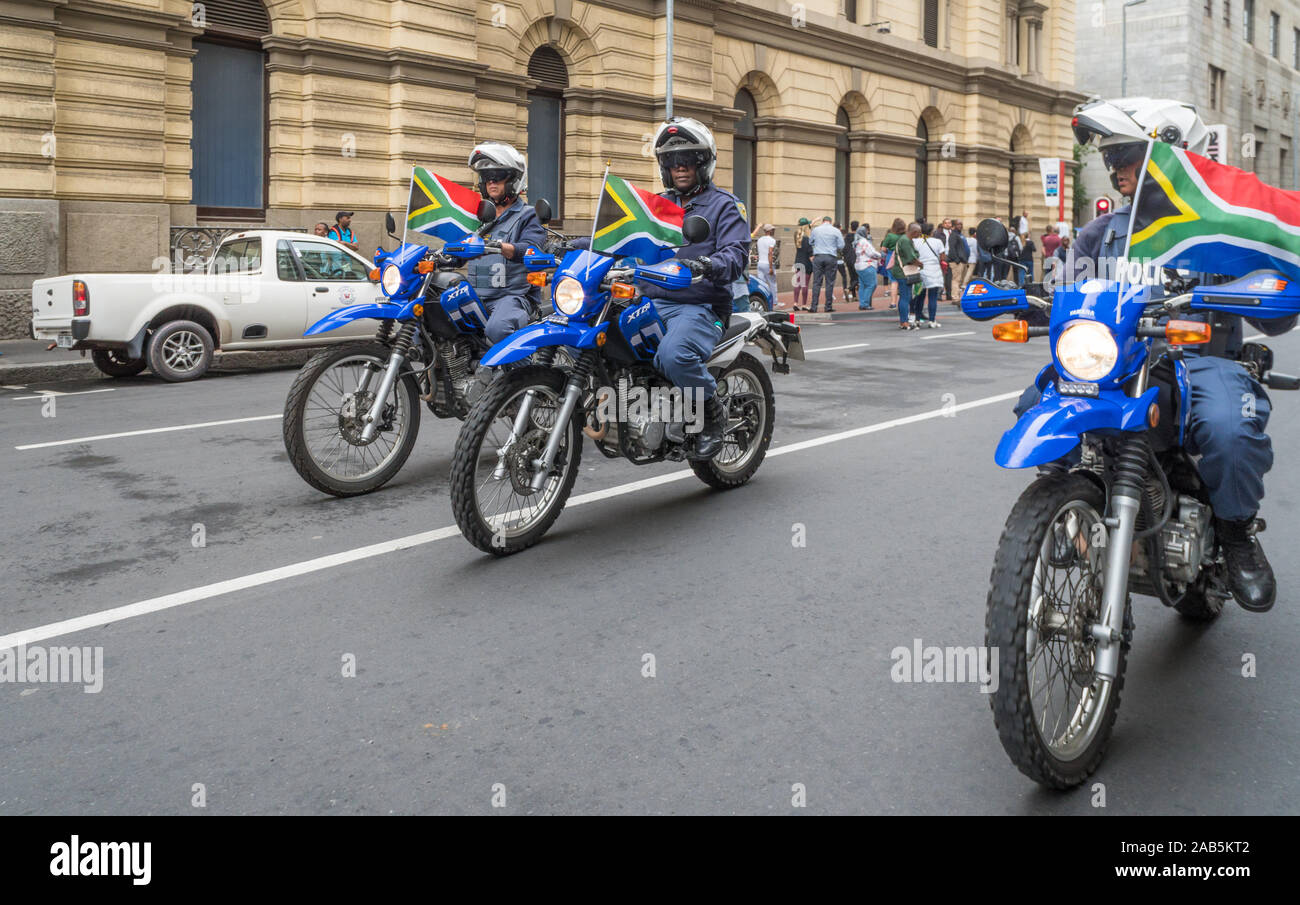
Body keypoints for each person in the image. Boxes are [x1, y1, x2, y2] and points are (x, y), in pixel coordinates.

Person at [1025, 96, 1300, 612]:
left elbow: (1274, 315)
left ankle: (1237, 533)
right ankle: (1062, 504)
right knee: (1034, 401)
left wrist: (1280, 287)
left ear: (1175, 157)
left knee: (1228, 426)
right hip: (1117, 363)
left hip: (1202, 362)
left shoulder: (1222, 232)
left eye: (1125, 154)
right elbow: (1062, 287)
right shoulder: (1102, 233)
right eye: (1109, 158)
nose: (1114, 169)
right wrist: (1033, 300)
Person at [642, 117, 750, 460]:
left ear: (704, 163)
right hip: (652, 299)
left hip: (700, 304)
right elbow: (619, 238)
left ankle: (711, 413)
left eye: (689, 160)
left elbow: (736, 254)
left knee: (675, 355)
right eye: (673, 162)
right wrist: (575, 245)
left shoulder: (725, 205)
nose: (681, 168)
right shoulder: (656, 205)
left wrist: (707, 265)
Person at [465, 141, 548, 346]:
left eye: (499, 177)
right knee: (435, 314)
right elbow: (458, 245)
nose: (491, 182)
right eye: (486, 178)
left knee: (498, 328)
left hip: (513, 297)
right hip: (477, 295)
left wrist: (501, 247)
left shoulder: (528, 215)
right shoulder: (478, 216)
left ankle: (525, 377)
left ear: (514, 180)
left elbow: (531, 248)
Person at [913, 222, 946, 328]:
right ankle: (932, 320)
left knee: (919, 296)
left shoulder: (915, 241)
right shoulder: (938, 242)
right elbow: (942, 257)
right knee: (932, 296)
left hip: (920, 270)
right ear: (932, 231)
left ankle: (917, 319)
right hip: (933, 271)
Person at [809, 215, 843, 313]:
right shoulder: (836, 231)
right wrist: (832, 246)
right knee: (829, 283)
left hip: (818, 257)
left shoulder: (816, 230)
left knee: (816, 282)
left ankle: (813, 307)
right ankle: (828, 306)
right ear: (830, 222)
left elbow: (810, 242)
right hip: (831, 257)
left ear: (823, 221)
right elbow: (841, 245)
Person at [891, 221, 921, 329]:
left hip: (902, 271)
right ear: (914, 232)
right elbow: (911, 257)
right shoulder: (906, 241)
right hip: (903, 272)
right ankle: (904, 322)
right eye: (919, 233)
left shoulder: (905, 239)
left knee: (905, 296)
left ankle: (903, 321)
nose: (919, 235)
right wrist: (921, 264)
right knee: (905, 297)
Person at [853, 224, 881, 310]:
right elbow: (871, 253)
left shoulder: (856, 242)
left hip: (859, 265)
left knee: (863, 285)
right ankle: (865, 304)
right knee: (872, 284)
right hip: (867, 265)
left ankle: (862, 303)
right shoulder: (864, 241)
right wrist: (880, 255)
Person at [880, 218, 907, 309]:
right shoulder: (905, 236)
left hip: (891, 257)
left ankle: (893, 303)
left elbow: (883, 249)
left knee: (893, 281)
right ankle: (904, 302)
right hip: (902, 257)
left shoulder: (890, 236)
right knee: (903, 281)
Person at [946, 218, 970, 301]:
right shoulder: (953, 235)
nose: (960, 226)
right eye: (958, 224)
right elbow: (952, 249)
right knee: (956, 280)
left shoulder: (961, 235)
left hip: (963, 261)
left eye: (961, 224)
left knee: (960, 281)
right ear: (953, 226)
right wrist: (957, 260)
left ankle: (958, 296)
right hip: (957, 262)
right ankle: (955, 297)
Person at [791, 218, 813, 310]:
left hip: (798, 261)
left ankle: (795, 303)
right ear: (806, 227)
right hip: (806, 263)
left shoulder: (796, 236)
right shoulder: (807, 239)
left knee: (798, 283)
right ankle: (804, 305)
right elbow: (810, 254)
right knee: (805, 284)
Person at [755, 223, 778, 304]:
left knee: (761, 284)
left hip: (760, 263)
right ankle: (774, 302)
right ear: (769, 231)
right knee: (772, 284)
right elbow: (770, 253)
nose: (774, 231)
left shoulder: (759, 239)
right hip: (767, 264)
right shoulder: (772, 240)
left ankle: (763, 301)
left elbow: (759, 251)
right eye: (773, 229)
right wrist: (771, 267)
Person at [841, 220, 859, 306]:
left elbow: (843, 248)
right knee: (858, 277)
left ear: (850, 227)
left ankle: (854, 296)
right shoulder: (858, 236)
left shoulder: (847, 236)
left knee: (852, 277)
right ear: (857, 227)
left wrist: (845, 257)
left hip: (848, 259)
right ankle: (849, 289)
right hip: (856, 259)